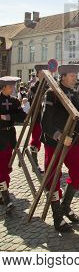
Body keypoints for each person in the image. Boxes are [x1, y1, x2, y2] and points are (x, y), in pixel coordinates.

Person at [41, 64, 79, 232]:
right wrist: (59, 136)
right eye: (72, 75)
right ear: (63, 76)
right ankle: (57, 217)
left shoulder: (74, 93)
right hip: (55, 142)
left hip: (72, 142)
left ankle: (65, 206)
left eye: (75, 76)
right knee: (52, 178)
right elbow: (45, 122)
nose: (75, 78)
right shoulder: (52, 93)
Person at [0, 76, 27, 212]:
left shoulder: (14, 101)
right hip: (0, 137)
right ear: (3, 87)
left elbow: (22, 117)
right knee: (2, 168)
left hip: (10, 136)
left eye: (13, 86)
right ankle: (6, 199)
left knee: (7, 167)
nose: (12, 89)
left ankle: (3, 191)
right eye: (10, 86)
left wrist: (8, 117)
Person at [28, 64, 49, 173]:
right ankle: (34, 163)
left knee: (49, 142)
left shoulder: (49, 86)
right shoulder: (33, 87)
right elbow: (33, 102)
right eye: (42, 72)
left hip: (49, 119)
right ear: (37, 74)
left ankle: (49, 164)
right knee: (36, 140)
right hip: (37, 119)